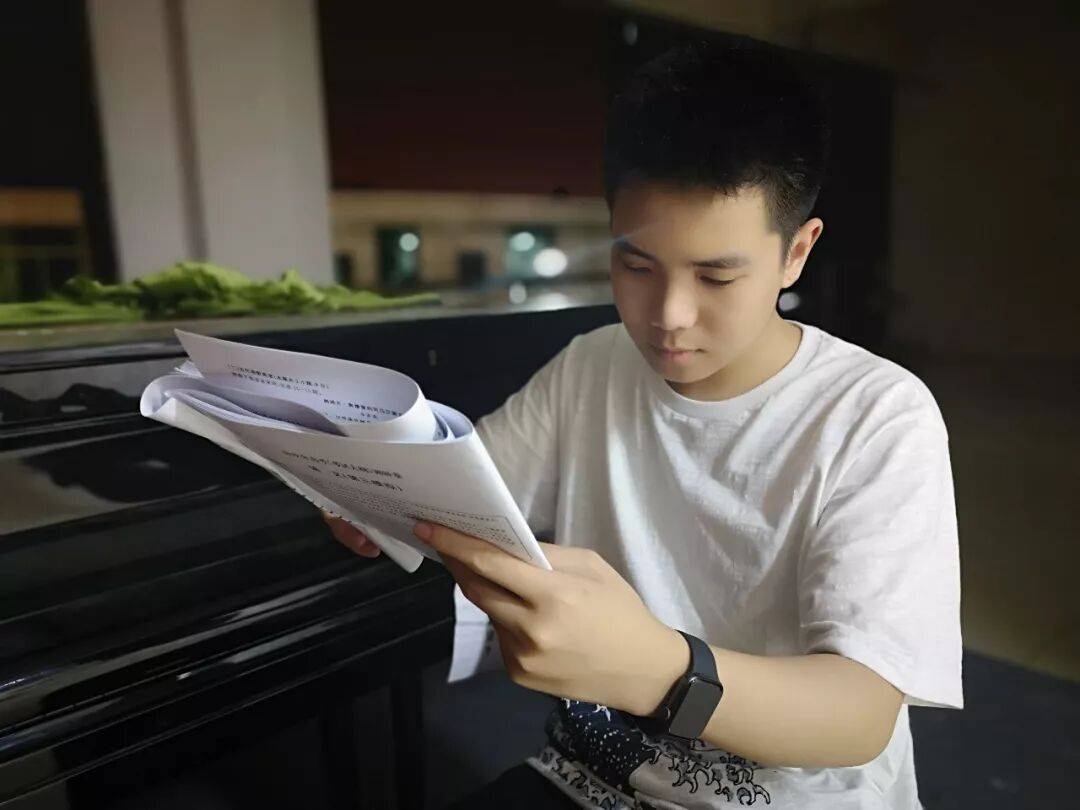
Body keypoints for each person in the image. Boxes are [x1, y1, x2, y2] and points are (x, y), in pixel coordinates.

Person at [326, 40, 962, 810]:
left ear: (796, 253)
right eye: (636, 266)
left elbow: (860, 716)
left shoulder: (874, 415)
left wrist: (658, 668)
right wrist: (378, 497)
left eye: (716, 275)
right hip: (588, 778)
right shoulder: (591, 364)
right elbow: (466, 492)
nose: (668, 316)